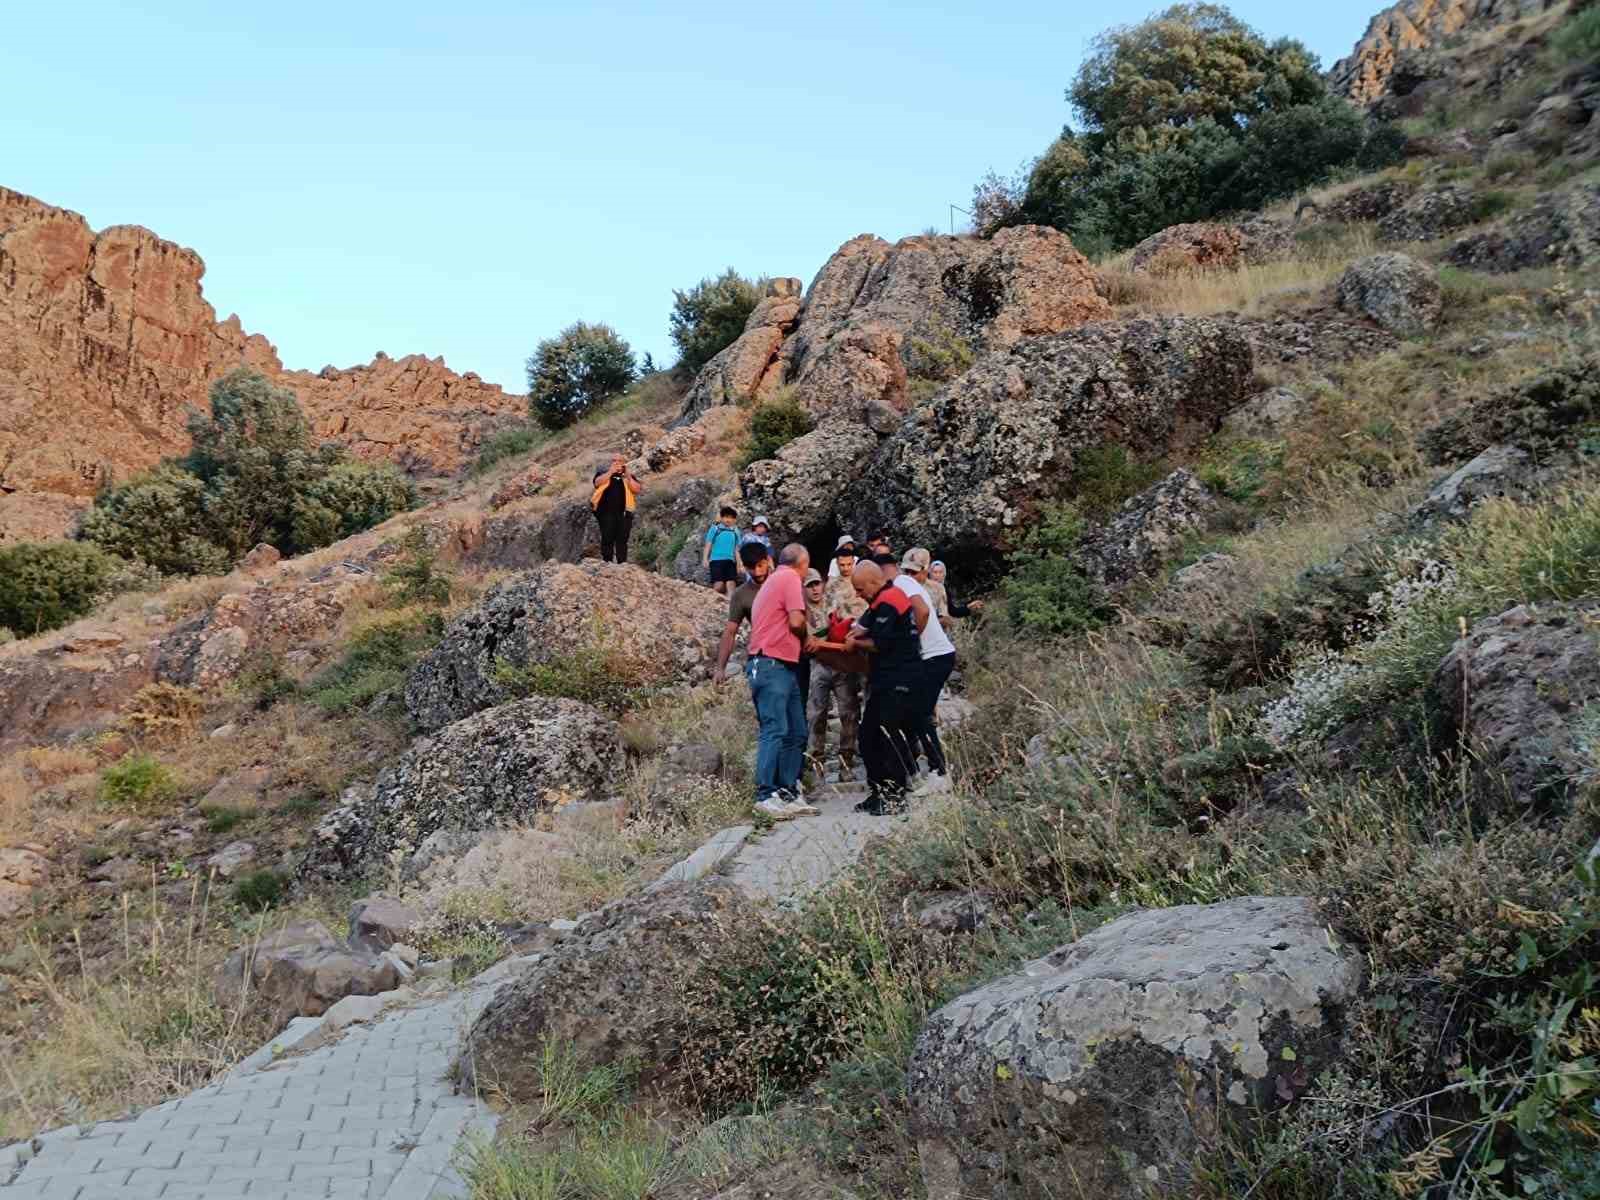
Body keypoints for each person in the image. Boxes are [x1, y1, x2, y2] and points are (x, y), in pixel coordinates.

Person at [745, 543, 819, 819]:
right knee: (775, 729)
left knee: (796, 731)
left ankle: (788, 792)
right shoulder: (789, 578)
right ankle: (765, 796)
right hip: (770, 663)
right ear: (803, 563)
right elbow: (796, 621)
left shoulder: (773, 581)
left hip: (781, 666)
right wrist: (807, 639)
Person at [844, 560, 923, 815]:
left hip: (899, 678)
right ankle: (878, 792)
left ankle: (895, 795)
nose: (857, 594)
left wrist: (855, 644)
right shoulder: (879, 601)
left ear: (874, 582)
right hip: (884, 679)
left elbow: (880, 643)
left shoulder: (890, 599)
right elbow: (861, 627)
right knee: (868, 737)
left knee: (889, 737)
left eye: (859, 589)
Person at [882, 548, 957, 793]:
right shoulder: (908, 585)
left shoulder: (904, 583)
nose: (913, 574)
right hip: (935, 657)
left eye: (917, 571)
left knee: (921, 714)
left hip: (934, 657)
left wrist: (911, 644)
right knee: (913, 713)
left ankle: (940, 773)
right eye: (910, 570)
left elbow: (922, 613)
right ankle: (918, 770)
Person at [809, 539, 866, 779]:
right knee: (816, 713)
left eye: (848, 564)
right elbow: (822, 623)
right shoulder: (828, 589)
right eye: (841, 564)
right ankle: (816, 763)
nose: (845, 568)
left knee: (849, 712)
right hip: (823, 659)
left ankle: (846, 762)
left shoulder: (861, 586)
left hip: (847, 659)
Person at [714, 542, 772, 682]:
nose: (757, 572)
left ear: (768, 561)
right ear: (744, 567)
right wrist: (720, 669)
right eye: (751, 568)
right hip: (763, 655)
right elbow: (730, 632)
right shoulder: (741, 595)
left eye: (760, 565)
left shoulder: (784, 582)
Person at [590, 454, 642, 563]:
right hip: (605, 513)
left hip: (624, 513)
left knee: (622, 541)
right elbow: (597, 483)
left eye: (620, 460)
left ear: (624, 463)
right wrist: (610, 472)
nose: (617, 462)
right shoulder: (603, 473)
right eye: (614, 460)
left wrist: (627, 475)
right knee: (607, 539)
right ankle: (607, 564)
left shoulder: (628, 476)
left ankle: (622, 565)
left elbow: (637, 489)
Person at [702, 506, 742, 596]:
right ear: (722, 517)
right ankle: (720, 597)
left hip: (730, 561)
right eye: (726, 517)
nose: (728, 520)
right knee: (718, 587)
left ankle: (729, 605)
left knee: (731, 584)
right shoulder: (715, 529)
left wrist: (739, 564)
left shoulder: (735, 531)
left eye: (731, 518)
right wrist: (705, 559)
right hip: (716, 561)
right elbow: (708, 544)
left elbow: (737, 549)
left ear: (734, 520)